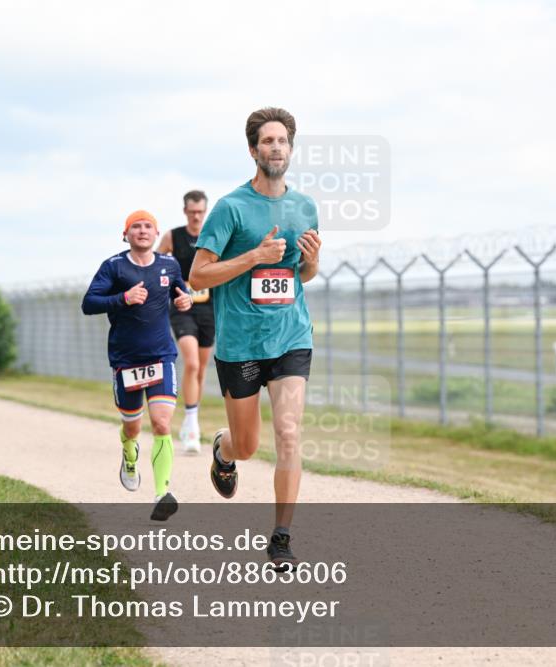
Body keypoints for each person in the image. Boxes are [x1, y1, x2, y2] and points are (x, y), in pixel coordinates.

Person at [190, 107, 322, 570]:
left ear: (291, 148)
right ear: (253, 150)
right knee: (248, 446)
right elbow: (198, 274)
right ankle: (223, 450)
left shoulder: (305, 207)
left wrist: (311, 261)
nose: (276, 148)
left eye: (283, 140)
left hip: (290, 335)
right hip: (240, 344)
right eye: (267, 141)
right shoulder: (230, 208)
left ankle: (281, 538)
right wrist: (254, 256)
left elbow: (302, 274)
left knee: (288, 432)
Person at [82, 210, 193, 521]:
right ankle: (129, 454)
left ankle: (162, 493)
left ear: (156, 234)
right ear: (125, 234)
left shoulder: (169, 265)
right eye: (136, 227)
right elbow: (89, 303)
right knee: (133, 426)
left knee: (161, 423)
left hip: (161, 356)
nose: (142, 231)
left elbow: (180, 293)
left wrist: (183, 301)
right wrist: (123, 298)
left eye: (148, 226)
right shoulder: (114, 266)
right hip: (126, 360)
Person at [157, 190, 215, 454]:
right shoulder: (173, 236)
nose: (196, 216)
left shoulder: (214, 235)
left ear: (205, 211)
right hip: (182, 308)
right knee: (190, 362)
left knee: (201, 369)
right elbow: (155, 263)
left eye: (201, 212)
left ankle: (192, 418)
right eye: (192, 212)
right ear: (185, 212)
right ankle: (192, 426)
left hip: (209, 309)